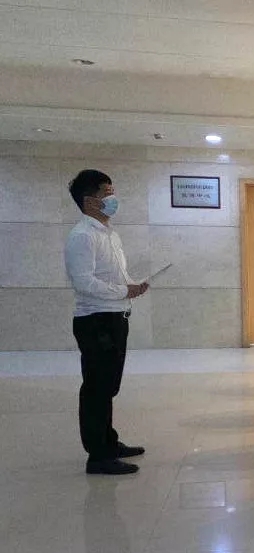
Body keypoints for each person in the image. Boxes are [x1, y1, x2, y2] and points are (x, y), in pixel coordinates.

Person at [64, 169, 148, 475]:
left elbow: (114, 275)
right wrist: (123, 291)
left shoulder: (109, 234)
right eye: (107, 193)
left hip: (114, 316)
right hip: (95, 320)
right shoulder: (82, 236)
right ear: (90, 201)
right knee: (97, 388)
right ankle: (98, 456)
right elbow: (84, 282)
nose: (114, 199)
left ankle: (109, 443)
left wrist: (131, 286)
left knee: (108, 386)